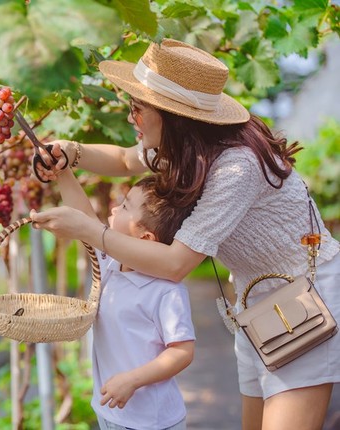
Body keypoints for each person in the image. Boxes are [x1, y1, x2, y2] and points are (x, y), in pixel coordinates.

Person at [30, 38, 340, 430]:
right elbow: (126, 159)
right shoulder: (187, 151)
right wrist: (70, 152)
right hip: (256, 301)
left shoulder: (234, 168)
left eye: (137, 109)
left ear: (172, 116)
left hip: (304, 300)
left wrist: (91, 230)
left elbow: (176, 264)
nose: (130, 118)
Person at [56, 165, 196, 430]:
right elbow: (83, 218)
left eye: (124, 207)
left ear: (144, 237)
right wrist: (61, 170)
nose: (114, 209)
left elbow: (182, 352)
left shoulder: (166, 290)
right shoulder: (110, 264)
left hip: (151, 422)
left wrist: (132, 380)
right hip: (111, 412)